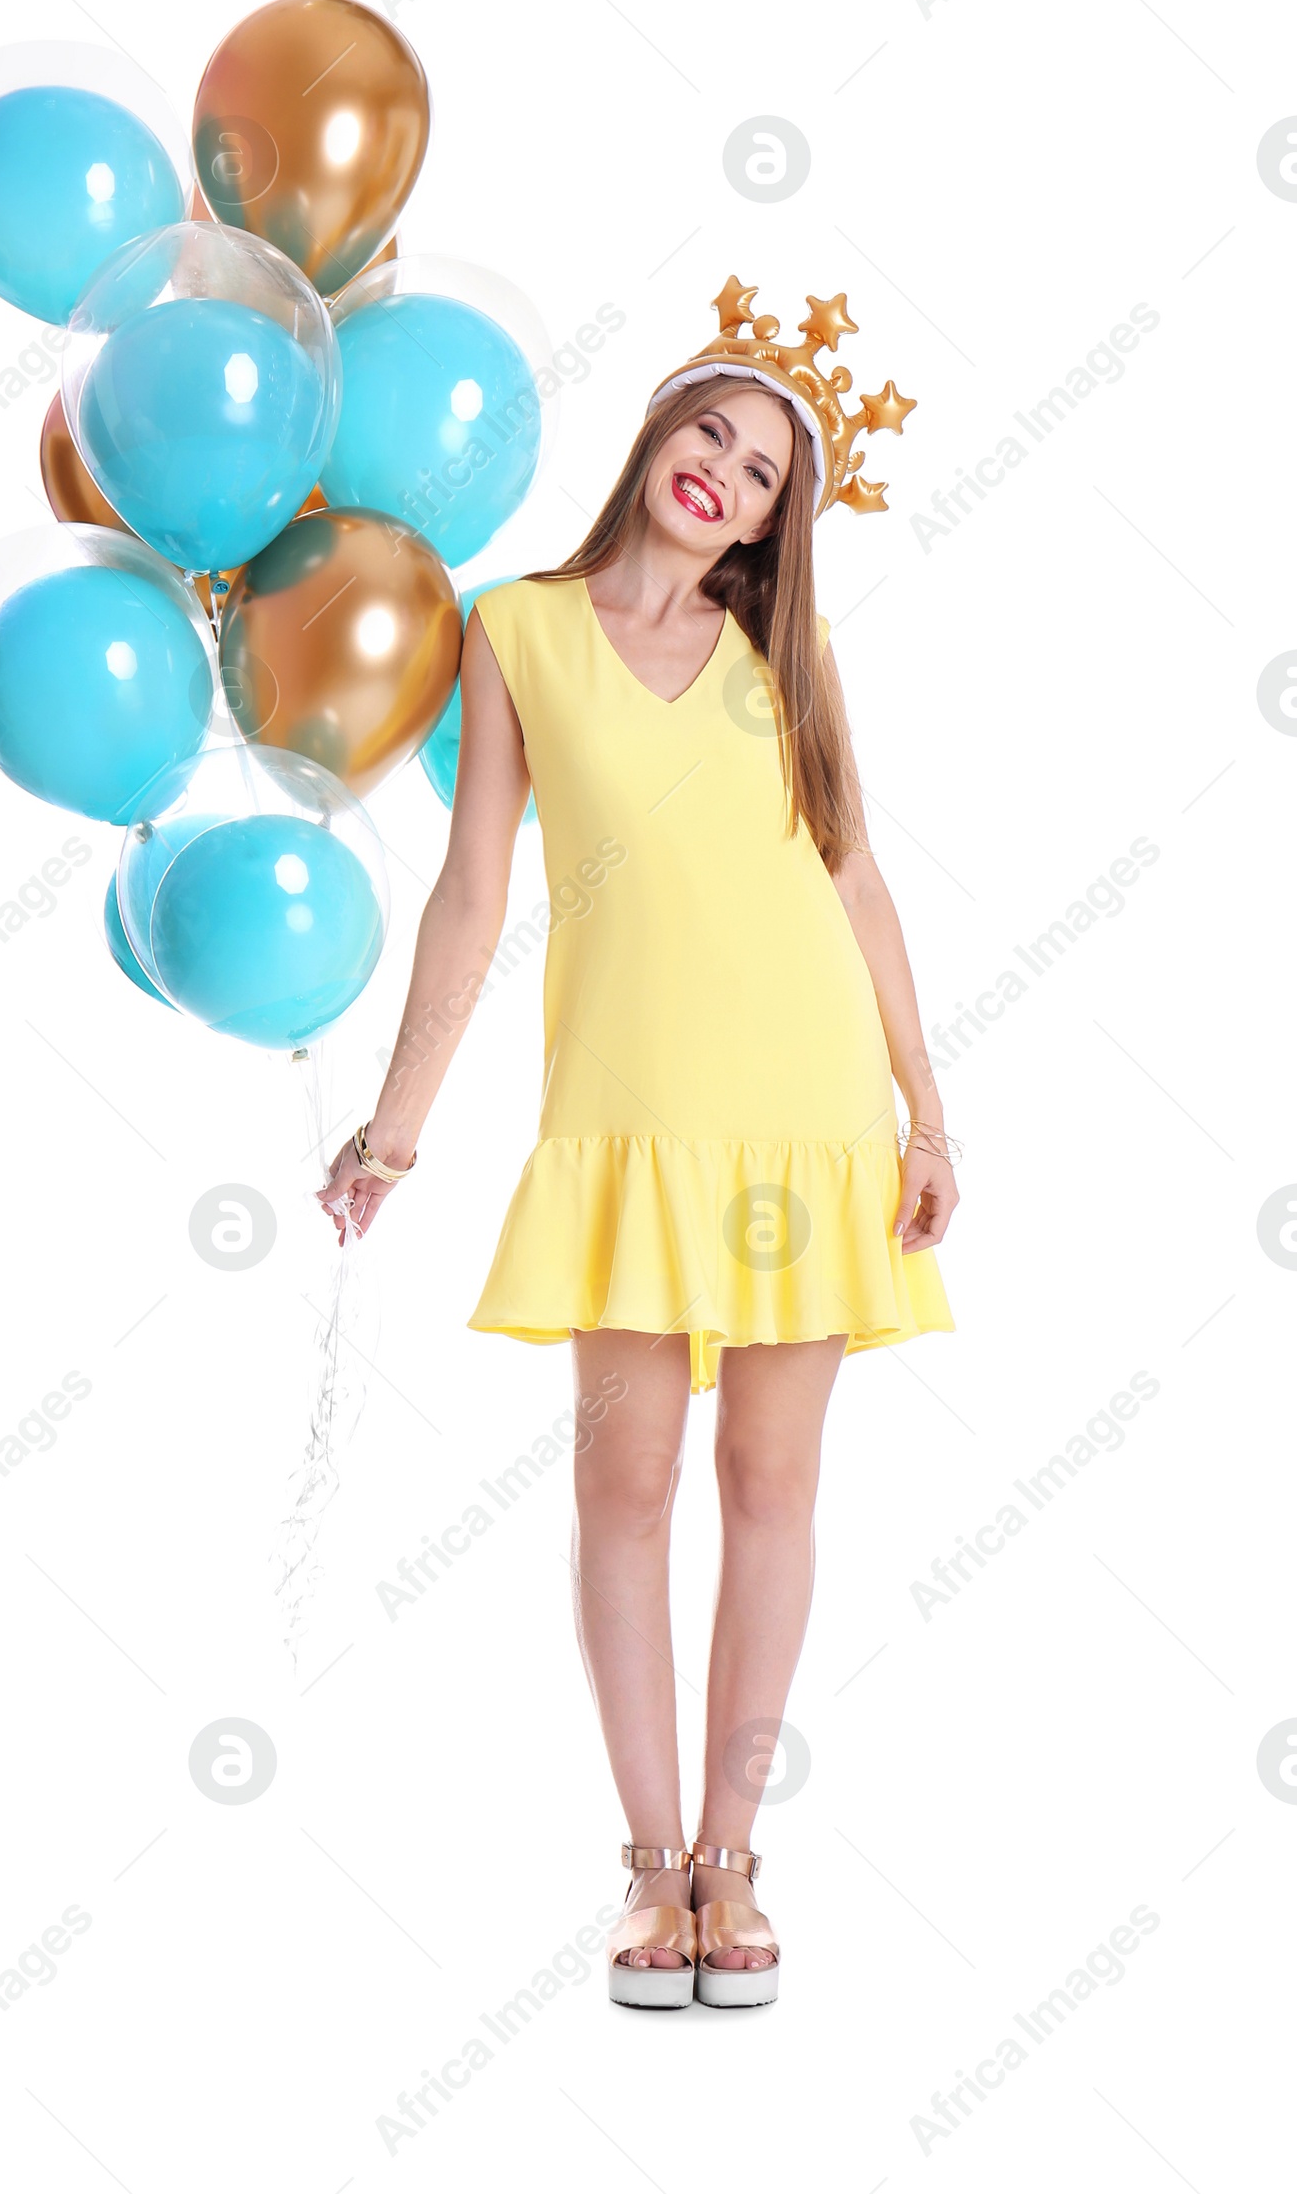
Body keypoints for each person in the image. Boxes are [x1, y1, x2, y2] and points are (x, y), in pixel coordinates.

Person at [316, 276, 959, 2009]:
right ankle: (649, 1863)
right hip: (626, 1122)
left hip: (803, 1116)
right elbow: (470, 892)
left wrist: (925, 1101)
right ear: (658, 434)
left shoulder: (780, 658)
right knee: (627, 1480)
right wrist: (398, 1127)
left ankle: (737, 1861)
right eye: (711, 435)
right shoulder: (513, 630)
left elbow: (856, 880)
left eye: (759, 474)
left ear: (768, 526)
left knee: (769, 1479)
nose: (723, 475)